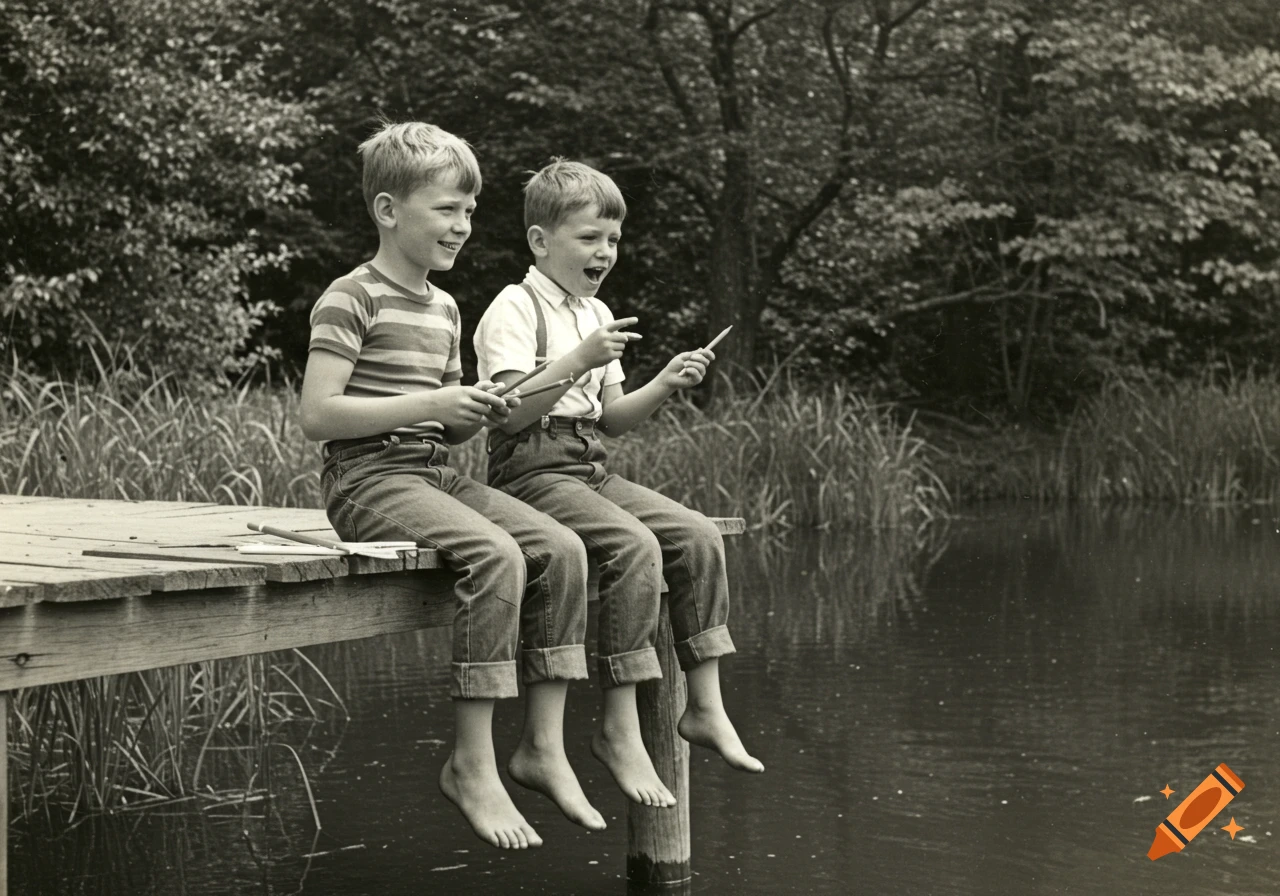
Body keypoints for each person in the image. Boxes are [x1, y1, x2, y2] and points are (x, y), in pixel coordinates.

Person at [299, 124, 607, 849]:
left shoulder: (443, 308)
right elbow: (318, 415)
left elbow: (451, 431)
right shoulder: (352, 297)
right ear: (387, 209)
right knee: (496, 555)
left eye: (469, 212)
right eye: (446, 210)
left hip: (431, 472)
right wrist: (434, 406)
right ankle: (471, 764)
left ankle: (541, 746)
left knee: (562, 549)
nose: (462, 226)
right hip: (366, 479)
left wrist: (476, 406)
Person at [473, 159, 764, 810]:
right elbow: (509, 412)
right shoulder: (513, 309)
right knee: (634, 547)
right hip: (529, 470)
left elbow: (612, 419)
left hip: (588, 465)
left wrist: (665, 381)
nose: (605, 251)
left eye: (613, 239)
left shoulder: (595, 309)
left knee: (693, 536)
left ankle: (706, 707)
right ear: (541, 242)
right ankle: (619, 730)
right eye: (589, 238)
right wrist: (577, 358)